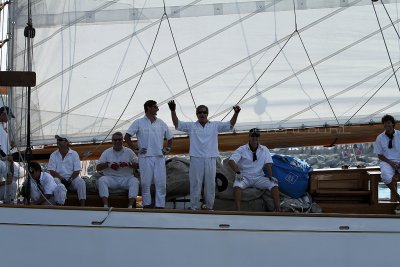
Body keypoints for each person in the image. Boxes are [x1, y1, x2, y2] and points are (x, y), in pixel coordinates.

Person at [168, 100, 241, 210]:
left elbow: (230, 125)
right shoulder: (191, 126)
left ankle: (210, 207)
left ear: (207, 114)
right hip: (196, 158)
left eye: (204, 112)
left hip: (211, 158)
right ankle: (193, 207)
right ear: (196, 114)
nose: (202, 114)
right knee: (195, 184)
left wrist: (236, 113)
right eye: (200, 112)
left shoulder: (215, 125)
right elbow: (177, 124)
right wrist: (173, 110)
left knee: (210, 184)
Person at [124, 100, 173, 209]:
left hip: (159, 157)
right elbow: (127, 136)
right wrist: (135, 149)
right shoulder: (138, 122)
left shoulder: (161, 122)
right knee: (145, 184)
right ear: (148, 108)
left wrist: (168, 148)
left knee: (161, 183)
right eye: (155, 107)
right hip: (145, 157)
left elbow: (170, 137)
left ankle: (160, 206)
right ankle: (147, 205)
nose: (157, 109)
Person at [228, 128, 281, 211]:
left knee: (274, 185)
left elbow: (268, 163)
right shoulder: (242, 149)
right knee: (236, 186)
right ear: (249, 137)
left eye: (257, 136)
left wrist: (271, 176)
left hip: (259, 177)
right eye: (253, 135)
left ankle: (278, 211)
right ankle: (238, 211)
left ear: (259, 137)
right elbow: (231, 161)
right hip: (244, 177)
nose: (254, 137)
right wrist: (238, 173)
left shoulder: (264, 149)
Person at [97, 132, 140, 208]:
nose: (117, 141)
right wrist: (109, 165)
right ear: (112, 141)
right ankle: (105, 206)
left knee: (135, 181)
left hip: (126, 179)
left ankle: (130, 206)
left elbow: (138, 165)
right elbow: (98, 167)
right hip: (111, 179)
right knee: (102, 180)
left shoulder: (129, 152)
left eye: (119, 140)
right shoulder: (106, 152)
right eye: (115, 140)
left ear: (122, 141)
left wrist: (128, 164)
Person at [47, 135, 86, 206]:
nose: (58, 141)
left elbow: (77, 171)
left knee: (81, 182)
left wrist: (70, 180)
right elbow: (52, 171)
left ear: (67, 142)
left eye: (60, 140)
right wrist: (62, 179)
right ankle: (59, 205)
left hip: (72, 179)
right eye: (58, 140)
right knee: (56, 182)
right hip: (58, 178)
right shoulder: (53, 155)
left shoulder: (74, 154)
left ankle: (82, 206)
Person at [373, 114, 400, 213]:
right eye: (385, 123)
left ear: (393, 124)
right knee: (385, 176)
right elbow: (380, 155)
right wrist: (391, 163)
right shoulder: (380, 138)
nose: (386, 125)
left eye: (388, 123)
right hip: (387, 161)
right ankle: (398, 197)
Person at [0, 106, 15, 201]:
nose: (9, 119)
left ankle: (9, 204)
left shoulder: (2, 129)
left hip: (4, 162)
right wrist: (5, 157)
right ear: (3, 114)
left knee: (12, 183)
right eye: (8, 116)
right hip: (2, 161)